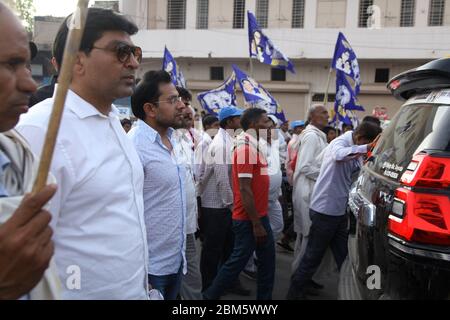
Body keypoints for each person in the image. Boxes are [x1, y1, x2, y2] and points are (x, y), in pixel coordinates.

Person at [17, 8, 149, 299]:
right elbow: (19, 256)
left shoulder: (114, 120)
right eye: (121, 52)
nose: (134, 63)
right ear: (77, 60)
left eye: (135, 52)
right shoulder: (41, 131)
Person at [0, 3, 60, 300]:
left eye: (26, 64)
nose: (29, 83)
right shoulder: (36, 129)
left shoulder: (17, 155)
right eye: (10, 64)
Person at [287, 122, 382, 299]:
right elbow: (340, 155)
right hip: (325, 211)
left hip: (338, 211)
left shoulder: (354, 146)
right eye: (366, 144)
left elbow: (361, 169)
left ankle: (353, 292)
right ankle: (293, 293)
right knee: (312, 256)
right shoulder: (339, 143)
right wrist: (366, 148)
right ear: (361, 138)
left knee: (344, 257)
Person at [203, 108, 275, 300]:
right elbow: (244, 188)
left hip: (258, 215)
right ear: (253, 125)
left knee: (266, 262)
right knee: (234, 261)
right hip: (249, 218)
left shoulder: (253, 145)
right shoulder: (244, 148)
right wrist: (256, 223)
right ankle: (209, 296)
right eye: (266, 122)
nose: (270, 126)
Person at [129, 70, 187, 300]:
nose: (181, 105)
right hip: (149, 270)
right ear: (150, 109)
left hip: (176, 261)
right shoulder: (133, 145)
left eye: (179, 99)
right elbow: (128, 211)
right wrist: (140, 270)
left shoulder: (174, 138)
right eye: (173, 100)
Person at [198, 106, 250, 296]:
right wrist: (232, 206)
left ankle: (227, 282)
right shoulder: (220, 144)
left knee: (229, 248)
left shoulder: (229, 140)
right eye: (238, 119)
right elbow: (222, 179)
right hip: (217, 206)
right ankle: (209, 288)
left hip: (225, 206)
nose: (241, 122)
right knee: (213, 250)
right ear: (229, 122)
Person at [291, 105, 329, 281]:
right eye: (323, 112)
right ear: (312, 117)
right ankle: (299, 278)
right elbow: (305, 166)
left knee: (306, 237)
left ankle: (303, 276)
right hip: (308, 191)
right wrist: (327, 174)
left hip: (311, 190)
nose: (327, 116)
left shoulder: (318, 136)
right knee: (308, 237)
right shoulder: (312, 137)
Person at [173, 87, 203, 300]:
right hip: (167, 229)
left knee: (191, 276)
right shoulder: (141, 141)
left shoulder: (185, 141)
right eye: (176, 102)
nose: (184, 109)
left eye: (186, 106)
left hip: (188, 225)